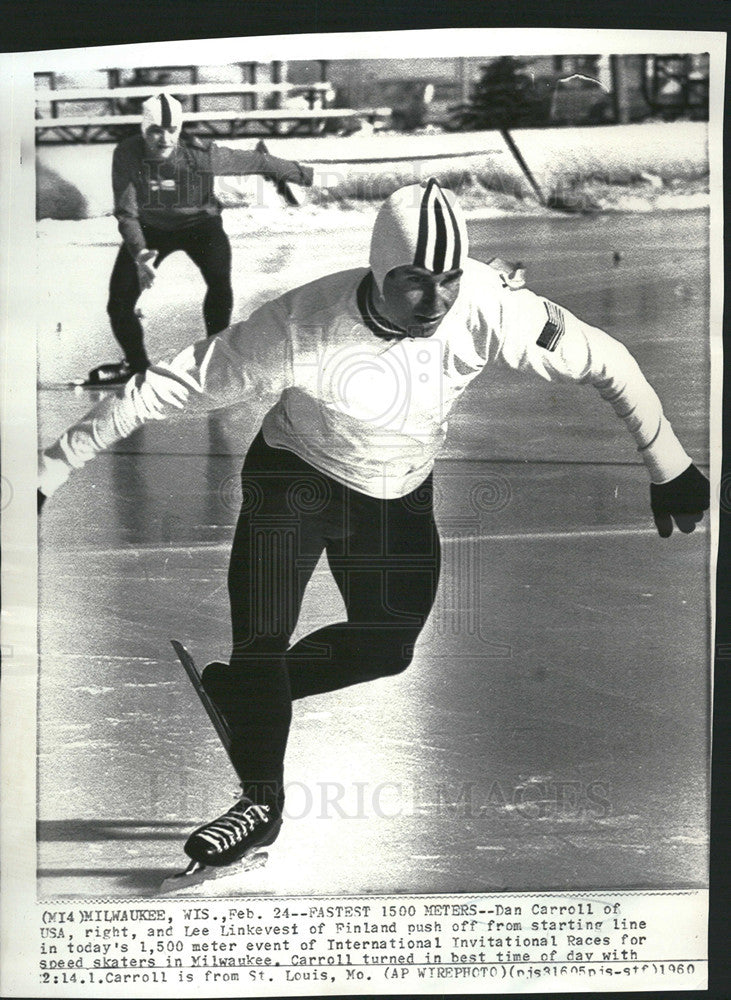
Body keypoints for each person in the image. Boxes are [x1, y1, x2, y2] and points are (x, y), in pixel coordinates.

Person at [38, 178, 709, 870]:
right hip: (293, 478)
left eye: (447, 278)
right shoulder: (299, 327)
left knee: (387, 648)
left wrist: (669, 464)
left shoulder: (493, 308)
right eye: (413, 282)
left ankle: (248, 693)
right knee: (262, 637)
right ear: (378, 269)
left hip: (394, 491)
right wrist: (48, 470)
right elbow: (163, 387)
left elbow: (607, 360)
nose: (435, 301)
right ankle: (259, 801)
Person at [90, 92, 315, 385]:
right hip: (152, 228)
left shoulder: (200, 156)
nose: (164, 139)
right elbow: (126, 212)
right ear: (144, 130)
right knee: (119, 303)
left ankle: (217, 360)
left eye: (171, 130)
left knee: (219, 282)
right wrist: (140, 253)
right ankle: (137, 365)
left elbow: (258, 161)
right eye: (155, 131)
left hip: (200, 225)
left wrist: (305, 175)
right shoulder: (127, 153)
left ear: (179, 131)